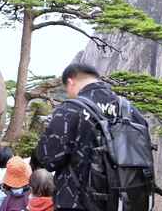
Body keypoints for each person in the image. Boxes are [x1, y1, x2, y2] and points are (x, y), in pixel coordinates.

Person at [37, 63, 149, 211]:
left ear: (71, 82)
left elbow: (48, 159)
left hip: (79, 204)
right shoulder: (131, 111)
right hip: (126, 202)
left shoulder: (70, 109)